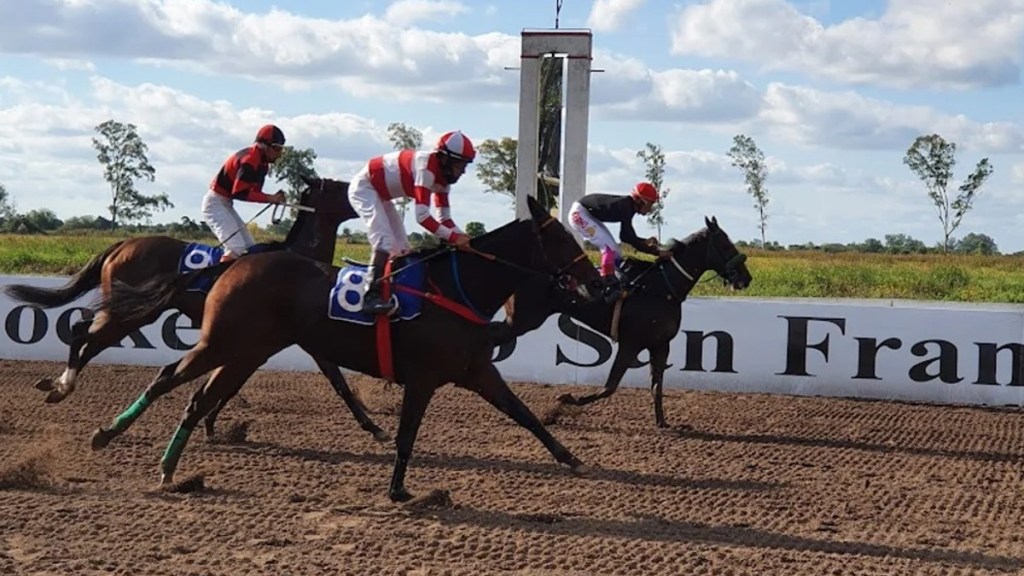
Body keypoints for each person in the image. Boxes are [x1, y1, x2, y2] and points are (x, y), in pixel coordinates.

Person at [348, 130, 475, 314]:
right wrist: (455, 238)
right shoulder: (426, 169)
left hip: (382, 196)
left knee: (402, 249)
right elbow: (422, 217)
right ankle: (370, 296)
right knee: (384, 239)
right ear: (445, 159)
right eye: (460, 164)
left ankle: (392, 293)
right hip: (364, 188)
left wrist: (464, 237)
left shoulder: (443, 181)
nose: (463, 171)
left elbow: (445, 220)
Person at [568, 181, 672, 299]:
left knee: (616, 252)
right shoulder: (626, 207)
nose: (651, 209)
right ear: (640, 201)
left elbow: (627, 236)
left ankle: (612, 277)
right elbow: (626, 237)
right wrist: (656, 252)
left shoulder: (628, 206)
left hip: (585, 213)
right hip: (579, 214)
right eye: (650, 204)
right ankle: (607, 284)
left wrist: (644, 242)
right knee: (609, 247)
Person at [202, 124, 288, 262]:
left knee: (250, 247)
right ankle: (218, 276)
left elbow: (254, 192)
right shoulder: (250, 160)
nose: (279, 154)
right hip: (215, 203)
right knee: (236, 248)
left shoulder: (263, 165)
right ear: (264, 146)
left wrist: (273, 198)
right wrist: (270, 198)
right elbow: (239, 193)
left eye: (281, 149)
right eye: (277, 148)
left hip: (225, 203)